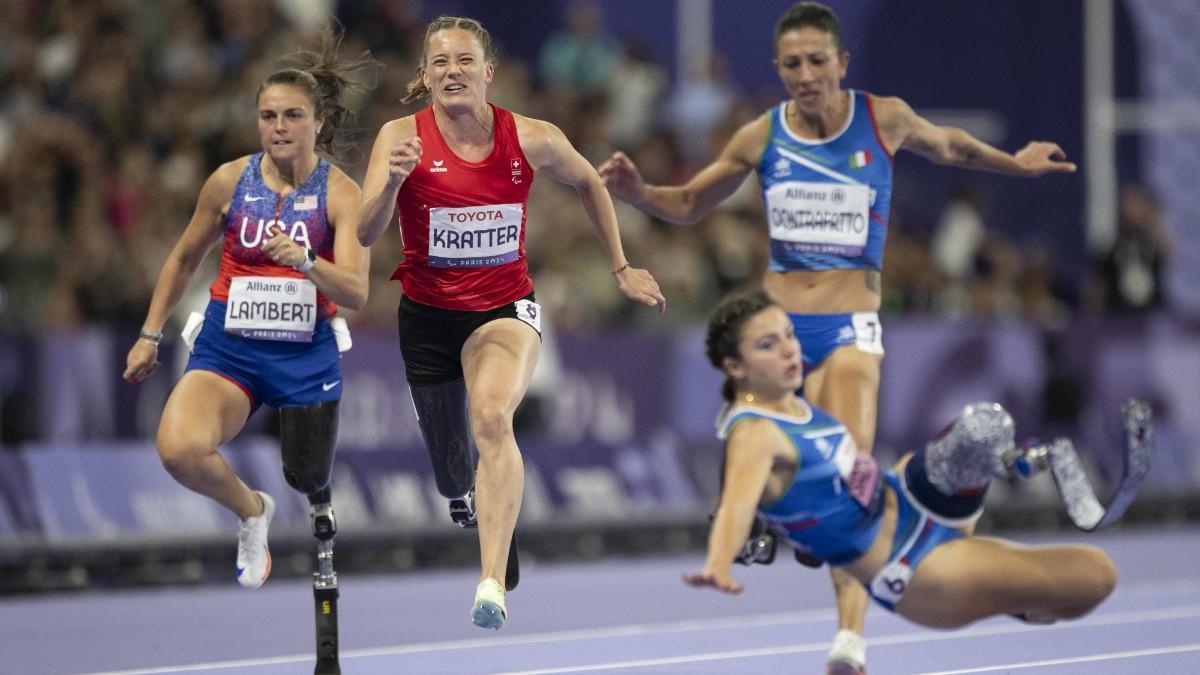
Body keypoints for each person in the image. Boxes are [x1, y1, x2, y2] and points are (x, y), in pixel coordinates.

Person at [598, 3, 1077, 671]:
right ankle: (771, 510)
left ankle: (848, 641)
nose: (805, 75)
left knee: (852, 481)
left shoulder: (884, 118)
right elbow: (689, 203)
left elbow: (953, 147)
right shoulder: (761, 137)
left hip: (851, 328)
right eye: (792, 64)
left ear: (842, 64)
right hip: (779, 330)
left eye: (817, 61)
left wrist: (1016, 165)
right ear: (778, 69)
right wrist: (638, 190)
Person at [356, 15, 665, 631]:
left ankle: (491, 581)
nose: (453, 72)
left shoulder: (531, 137)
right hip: (427, 317)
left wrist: (621, 265)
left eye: (465, 61)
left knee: (493, 418)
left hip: (504, 309)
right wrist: (392, 181)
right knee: (450, 475)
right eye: (440, 62)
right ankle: (471, 498)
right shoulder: (399, 136)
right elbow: (364, 232)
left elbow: (589, 183)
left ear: (488, 73)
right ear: (424, 75)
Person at [688, 290, 1116, 639]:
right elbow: (733, 508)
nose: (788, 351)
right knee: (1097, 576)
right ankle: (1014, 603)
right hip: (915, 567)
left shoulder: (793, 405)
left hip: (911, 497)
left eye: (787, 335)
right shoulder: (753, 435)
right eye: (768, 345)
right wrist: (719, 563)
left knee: (984, 424)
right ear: (735, 366)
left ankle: (1024, 461)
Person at [122, 29, 375, 592]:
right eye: (267, 116)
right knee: (178, 449)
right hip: (230, 347)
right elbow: (185, 258)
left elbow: (357, 292)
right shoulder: (228, 181)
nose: (278, 128)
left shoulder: (341, 194)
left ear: (318, 124)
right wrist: (149, 333)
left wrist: (308, 260)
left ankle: (298, 499)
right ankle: (251, 511)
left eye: (291, 116)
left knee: (308, 475)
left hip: (305, 355)